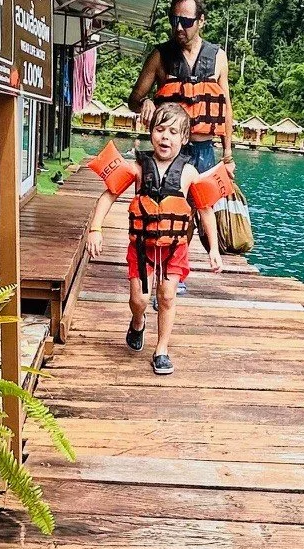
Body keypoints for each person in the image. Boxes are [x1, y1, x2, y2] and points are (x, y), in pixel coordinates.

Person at [86, 103, 228, 376]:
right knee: (139, 299)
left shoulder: (188, 172)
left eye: (173, 132)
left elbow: (205, 208)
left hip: (174, 248)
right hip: (141, 247)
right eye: (160, 129)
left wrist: (214, 249)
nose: (166, 137)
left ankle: (161, 349)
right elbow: (108, 195)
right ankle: (137, 321)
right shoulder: (139, 167)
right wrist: (96, 228)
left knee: (167, 296)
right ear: (150, 132)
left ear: (184, 138)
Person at [130, 0, 233, 276]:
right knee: (169, 211)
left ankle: (184, 265)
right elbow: (134, 98)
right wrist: (147, 101)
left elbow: (225, 107)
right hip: (171, 150)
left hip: (204, 149)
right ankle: (163, 269)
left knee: (202, 210)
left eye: (186, 21)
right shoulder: (160, 56)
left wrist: (227, 152)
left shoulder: (218, 58)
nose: (178, 27)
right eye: (174, 20)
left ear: (201, 21)